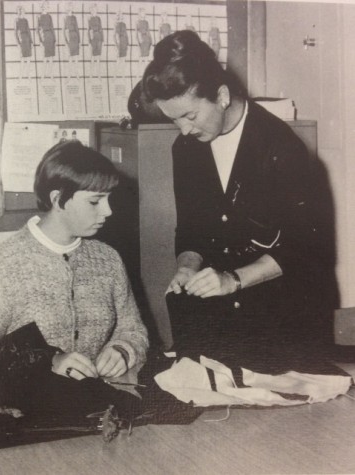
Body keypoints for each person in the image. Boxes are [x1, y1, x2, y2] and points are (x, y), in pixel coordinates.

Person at [142, 30, 333, 367]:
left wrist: (233, 280)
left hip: (283, 314)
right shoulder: (186, 148)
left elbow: (305, 248)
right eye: (174, 121)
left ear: (222, 95)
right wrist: (187, 267)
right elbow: (191, 227)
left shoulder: (281, 148)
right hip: (221, 315)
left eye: (190, 116)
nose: (184, 131)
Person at [0, 141, 149, 379]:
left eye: (108, 199)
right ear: (58, 199)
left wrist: (123, 350)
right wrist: (47, 362)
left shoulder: (108, 260)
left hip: (96, 406)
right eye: (95, 201)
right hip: (26, 410)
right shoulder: (3, 268)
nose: (108, 211)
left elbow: (133, 330)